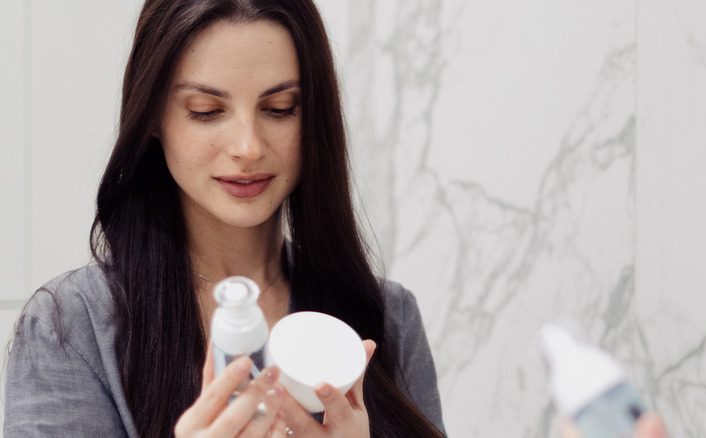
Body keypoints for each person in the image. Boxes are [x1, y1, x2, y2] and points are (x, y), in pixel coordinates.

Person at [3, 1, 446, 437]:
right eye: (206, 110)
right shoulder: (72, 329)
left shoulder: (390, 318)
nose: (248, 146)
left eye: (280, 108)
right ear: (154, 116)